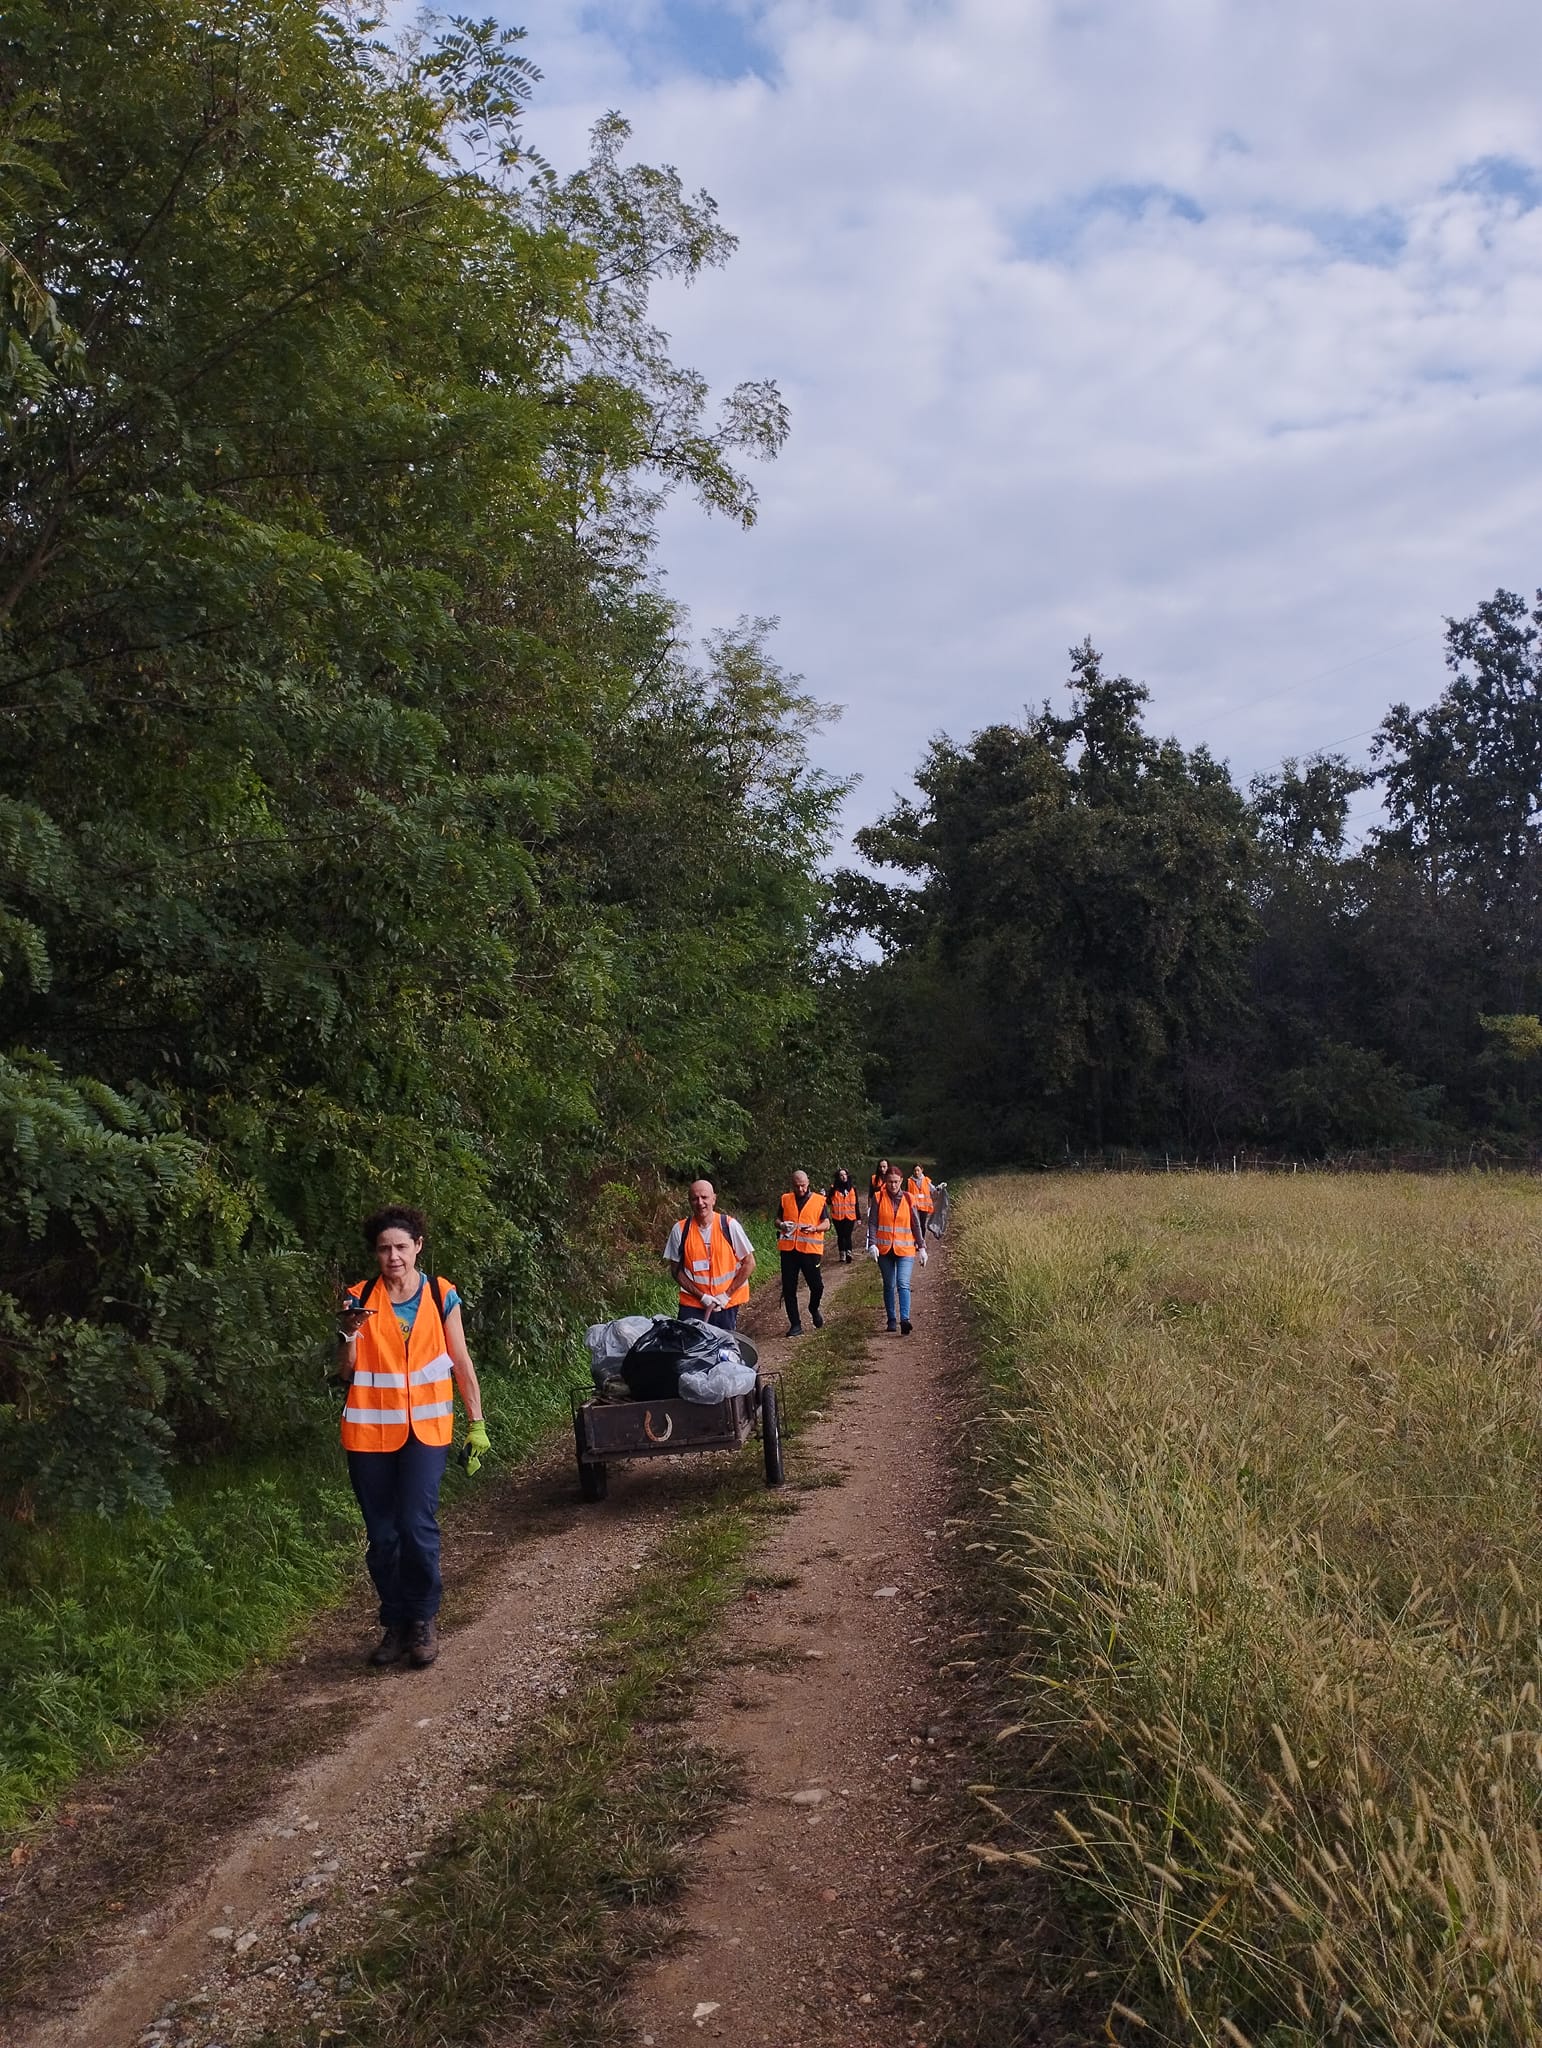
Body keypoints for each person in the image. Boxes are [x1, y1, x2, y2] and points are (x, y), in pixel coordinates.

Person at [335, 1206, 489, 1671]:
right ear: (376, 1254)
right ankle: (395, 1622)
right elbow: (348, 1372)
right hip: (367, 1433)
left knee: (416, 1528)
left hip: (426, 1431)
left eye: (401, 1246)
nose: (393, 1256)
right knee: (383, 1536)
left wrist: (476, 1423)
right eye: (384, 1248)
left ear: (418, 1246)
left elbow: (459, 1360)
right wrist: (347, 1334)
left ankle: (423, 1619)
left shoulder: (441, 1294)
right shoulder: (358, 1297)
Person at [663, 1179, 756, 1330]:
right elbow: (676, 1270)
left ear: (714, 1199)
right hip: (692, 1306)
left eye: (704, 1197)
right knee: (691, 1350)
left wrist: (726, 1295)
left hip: (725, 1304)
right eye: (695, 1198)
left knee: (723, 1349)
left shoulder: (729, 1226)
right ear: (689, 1202)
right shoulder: (680, 1230)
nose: (700, 1203)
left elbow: (749, 1263)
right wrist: (702, 1297)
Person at [866, 1165, 927, 1336]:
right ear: (885, 1182)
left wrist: (921, 1247)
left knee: (903, 1283)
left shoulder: (909, 1199)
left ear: (901, 1182)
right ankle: (891, 1319)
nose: (893, 1185)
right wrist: (872, 1244)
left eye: (896, 1182)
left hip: (905, 1249)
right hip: (885, 1249)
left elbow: (916, 1224)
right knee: (889, 1284)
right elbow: (872, 1223)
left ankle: (905, 1319)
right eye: (890, 1182)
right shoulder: (878, 1197)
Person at [776, 1168, 829, 1334]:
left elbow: (827, 1224)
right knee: (789, 1289)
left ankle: (813, 1308)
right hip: (789, 1251)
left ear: (808, 1183)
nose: (800, 1189)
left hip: (810, 1251)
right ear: (792, 1185)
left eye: (803, 1186)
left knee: (817, 1287)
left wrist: (814, 1228)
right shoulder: (785, 1199)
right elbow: (777, 1220)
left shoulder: (819, 1200)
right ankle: (795, 1324)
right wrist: (782, 1225)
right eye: (797, 1186)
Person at [828, 1168, 860, 1262]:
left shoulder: (852, 1188)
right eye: (841, 1175)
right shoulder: (834, 1188)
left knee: (847, 1235)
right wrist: (825, 1195)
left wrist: (858, 1217)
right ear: (838, 1177)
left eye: (845, 1174)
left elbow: (856, 1203)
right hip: (837, 1217)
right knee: (840, 1235)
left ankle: (849, 1253)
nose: (843, 1177)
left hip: (850, 1216)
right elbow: (828, 1201)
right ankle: (842, 1253)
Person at [907, 1164, 937, 1241]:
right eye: (915, 1171)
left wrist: (940, 1189)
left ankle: (921, 1241)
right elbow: (906, 1194)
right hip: (914, 1207)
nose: (916, 1172)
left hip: (924, 1207)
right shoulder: (909, 1181)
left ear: (922, 1170)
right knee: (915, 1225)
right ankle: (915, 1240)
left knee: (922, 1225)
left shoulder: (926, 1180)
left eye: (918, 1170)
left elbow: (933, 1189)